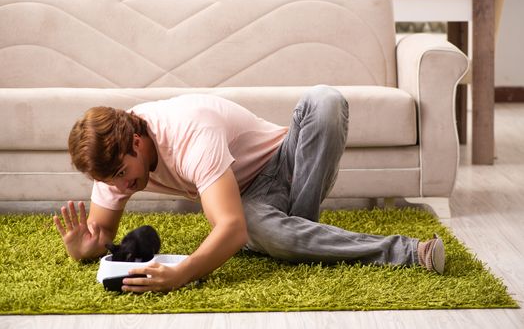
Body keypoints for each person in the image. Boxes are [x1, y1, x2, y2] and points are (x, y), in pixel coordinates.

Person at [53, 85, 445, 293]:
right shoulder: (114, 162)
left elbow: (230, 229)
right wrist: (85, 248)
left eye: (124, 174)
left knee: (325, 100)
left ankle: (295, 232)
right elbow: (101, 232)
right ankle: (409, 252)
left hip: (291, 162)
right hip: (251, 202)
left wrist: (183, 273)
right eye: (111, 182)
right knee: (258, 223)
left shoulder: (188, 131)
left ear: (137, 142)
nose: (122, 187)